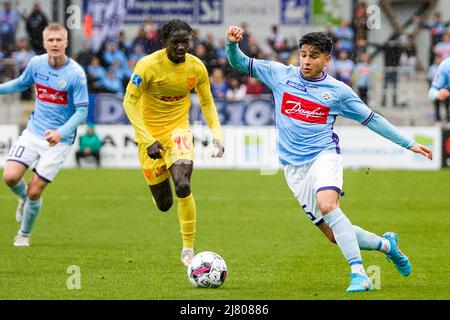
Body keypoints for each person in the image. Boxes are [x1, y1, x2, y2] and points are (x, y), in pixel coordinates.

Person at [226, 26, 433, 292]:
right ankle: (386, 245)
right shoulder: (281, 75)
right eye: (303, 55)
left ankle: (359, 274)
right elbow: (239, 62)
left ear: (327, 59)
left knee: (328, 205)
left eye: (314, 56)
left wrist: (409, 143)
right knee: (334, 235)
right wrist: (232, 44)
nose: (306, 61)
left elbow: (372, 119)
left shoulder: (337, 91)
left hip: (323, 156)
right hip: (293, 168)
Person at [123, 19, 224, 267]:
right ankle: (159, 187)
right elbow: (129, 103)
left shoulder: (196, 67)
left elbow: (207, 102)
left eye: (185, 41)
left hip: (178, 130)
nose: (181, 47)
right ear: (164, 42)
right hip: (149, 136)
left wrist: (217, 135)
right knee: (165, 204)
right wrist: (148, 139)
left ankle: (187, 249)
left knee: (182, 183)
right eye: (175, 42)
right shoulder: (147, 66)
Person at [0, 23, 89, 247]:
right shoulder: (36, 64)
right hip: (33, 131)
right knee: (10, 177)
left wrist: (60, 133)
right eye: (51, 40)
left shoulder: (76, 74)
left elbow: (82, 112)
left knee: (34, 190)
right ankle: (22, 198)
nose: (55, 44)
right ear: (44, 42)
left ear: (66, 42)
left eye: (59, 40)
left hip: (58, 141)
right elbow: (21, 84)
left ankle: (23, 234)